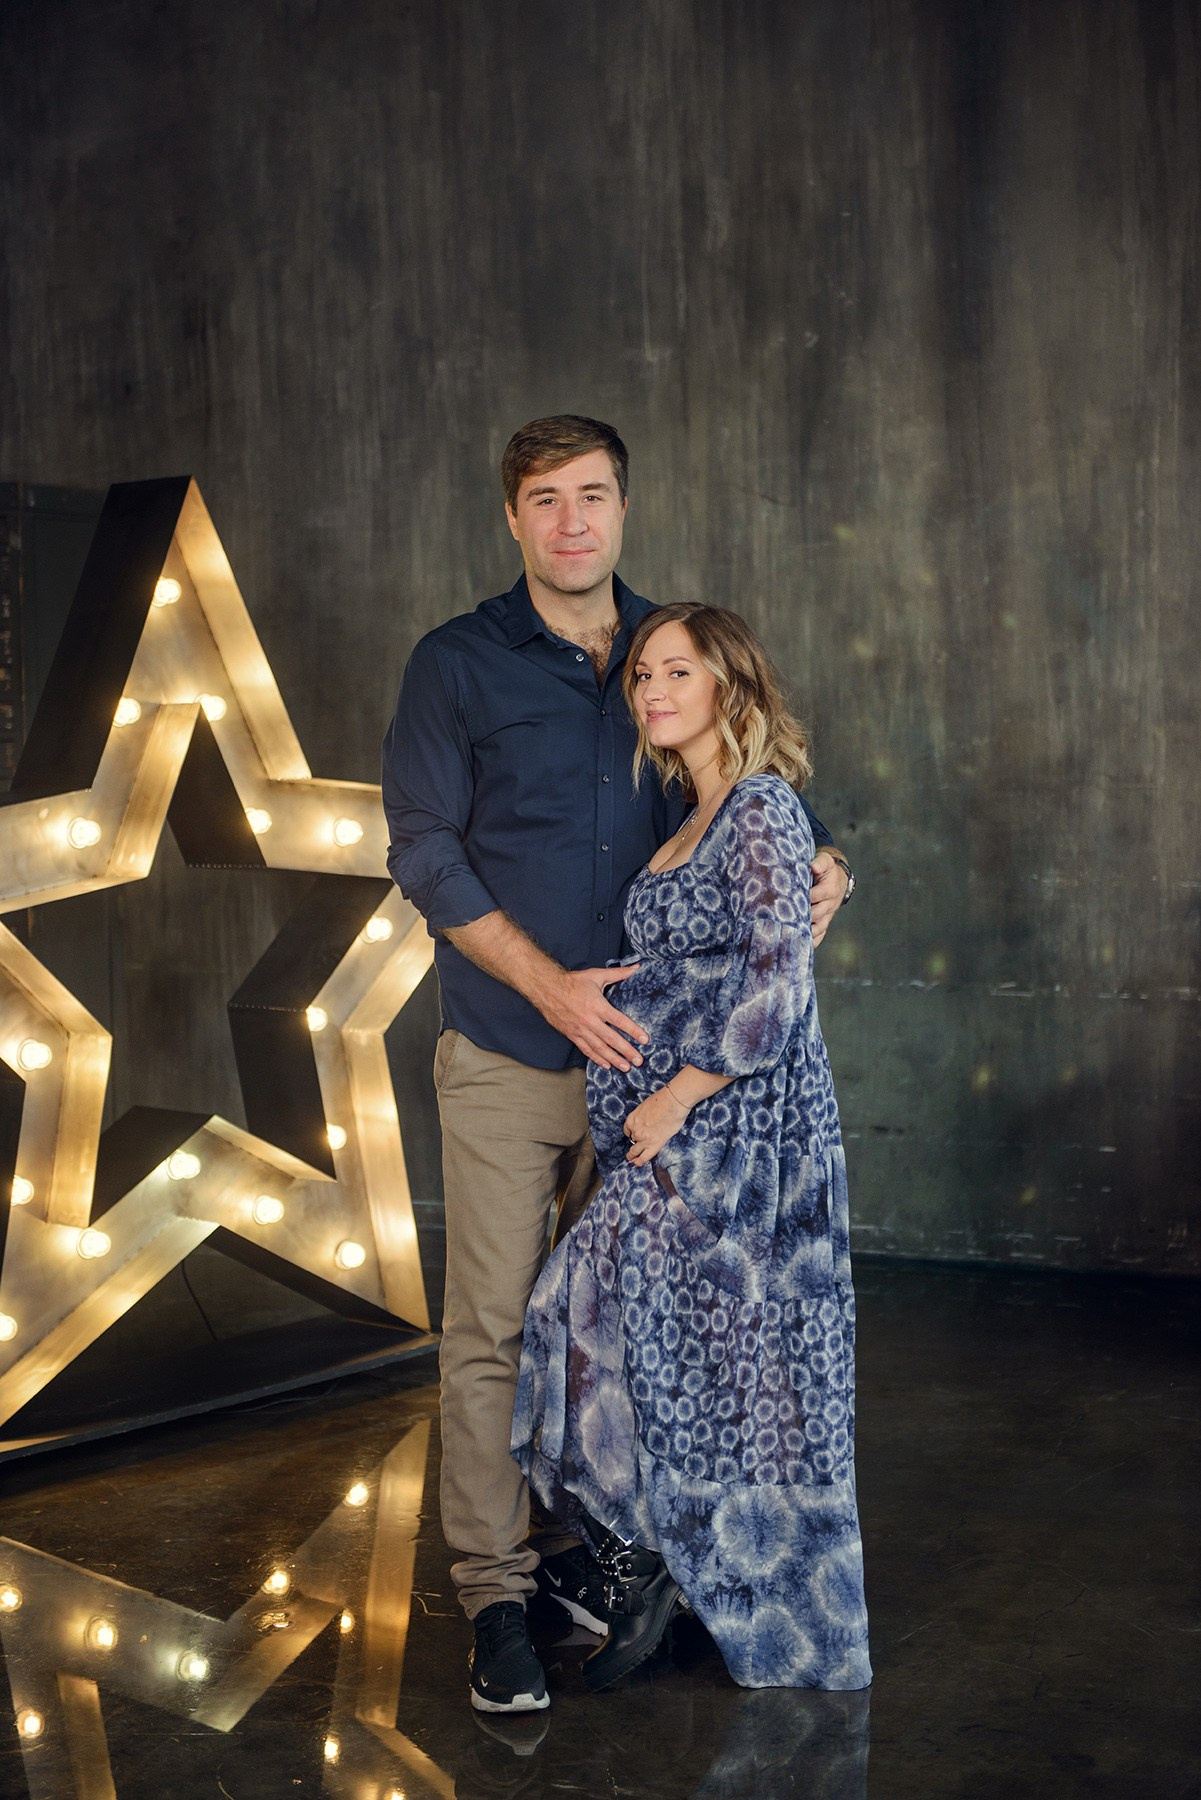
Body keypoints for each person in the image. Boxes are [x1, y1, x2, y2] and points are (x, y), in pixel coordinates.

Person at [382, 416, 855, 1713]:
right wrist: (548, 986)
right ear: (515, 518)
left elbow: (758, 808)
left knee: (650, 1338)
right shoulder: (457, 665)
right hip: (509, 1051)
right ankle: (495, 1592)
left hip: (660, 1088)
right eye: (546, 500)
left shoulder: (670, 655)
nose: (572, 522)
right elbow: (422, 850)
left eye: (593, 496)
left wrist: (829, 865)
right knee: (492, 1331)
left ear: (622, 510)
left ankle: (624, 1562)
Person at [511, 603, 872, 1694]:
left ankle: (677, 1570)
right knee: (607, 1329)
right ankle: (651, 1552)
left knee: (713, 1362)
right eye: (643, 676)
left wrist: (674, 1096)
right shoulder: (690, 811)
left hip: (733, 1138)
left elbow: (777, 979)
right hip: (675, 1138)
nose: (654, 690)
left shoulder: (758, 806)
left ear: (730, 687)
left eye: (678, 672)